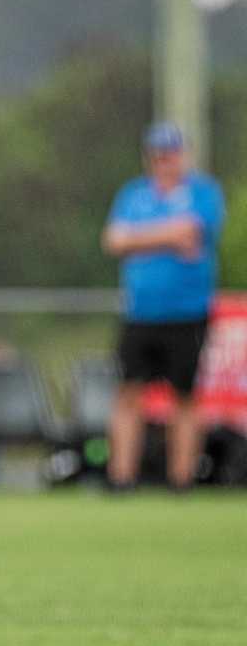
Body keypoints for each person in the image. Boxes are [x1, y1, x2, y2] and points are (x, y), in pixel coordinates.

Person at [102, 121, 225, 492]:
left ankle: (181, 480)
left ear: (182, 155)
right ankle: (121, 479)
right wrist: (166, 235)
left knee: (184, 396)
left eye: (171, 154)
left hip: (187, 311)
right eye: (158, 154)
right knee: (128, 392)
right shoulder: (133, 194)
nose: (164, 161)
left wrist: (138, 239)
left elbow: (191, 232)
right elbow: (113, 241)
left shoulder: (203, 192)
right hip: (140, 312)